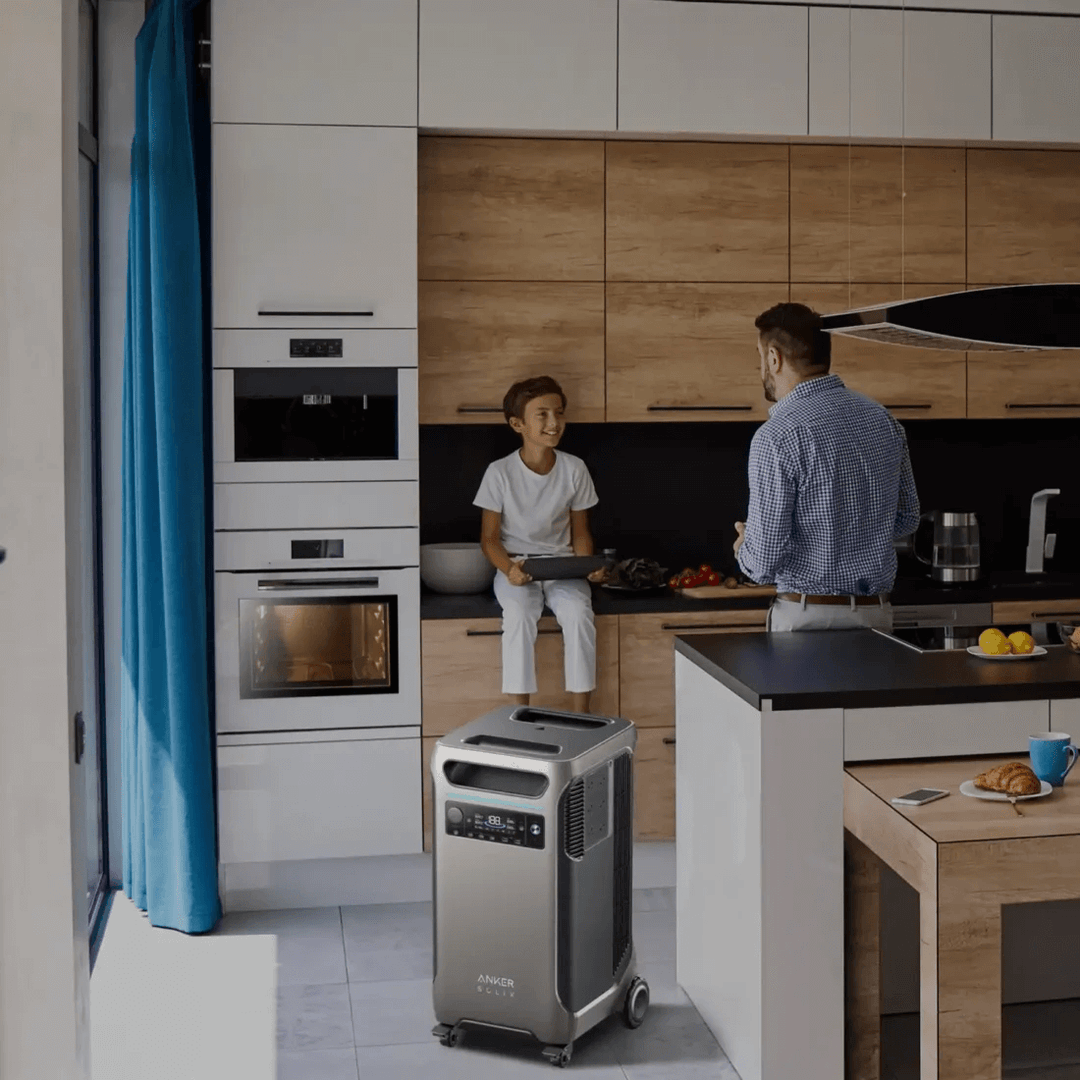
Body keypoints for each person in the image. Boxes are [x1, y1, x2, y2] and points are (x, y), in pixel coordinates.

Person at [733, 302, 920, 632]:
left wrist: (746, 546)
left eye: (760, 359)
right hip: (875, 616)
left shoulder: (776, 436)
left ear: (774, 358)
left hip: (807, 620)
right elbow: (906, 519)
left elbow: (762, 564)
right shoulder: (883, 420)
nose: (761, 368)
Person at [474, 376, 607, 712]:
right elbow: (489, 539)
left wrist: (588, 566)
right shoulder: (499, 472)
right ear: (517, 424)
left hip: (563, 566)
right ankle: (521, 713)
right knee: (518, 615)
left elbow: (580, 532)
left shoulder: (574, 469)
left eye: (559, 414)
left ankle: (582, 713)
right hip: (517, 565)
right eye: (542, 415)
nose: (554, 423)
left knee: (579, 614)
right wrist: (509, 571)